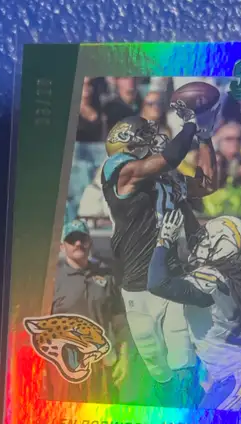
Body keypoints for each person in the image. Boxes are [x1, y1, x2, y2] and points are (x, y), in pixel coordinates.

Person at [100, 96, 219, 407]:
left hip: (170, 278)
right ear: (128, 142)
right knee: (157, 368)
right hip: (136, 284)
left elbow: (208, 184)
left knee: (183, 363)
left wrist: (205, 137)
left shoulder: (165, 179)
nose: (155, 141)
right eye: (146, 137)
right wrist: (190, 124)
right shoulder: (119, 170)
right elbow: (168, 158)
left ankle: (190, 416)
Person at [147, 209, 241, 412]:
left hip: (238, 378)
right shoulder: (223, 277)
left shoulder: (211, 279)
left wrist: (163, 242)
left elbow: (157, 283)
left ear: (220, 243)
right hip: (233, 378)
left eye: (206, 238)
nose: (199, 242)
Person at [48, 219, 129, 403]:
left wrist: (124, 358)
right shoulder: (53, 279)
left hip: (101, 367)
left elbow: (119, 320)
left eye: (82, 239)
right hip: (64, 369)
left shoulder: (106, 276)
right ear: (62, 246)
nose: (78, 243)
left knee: (102, 416)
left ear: (89, 243)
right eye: (72, 239)